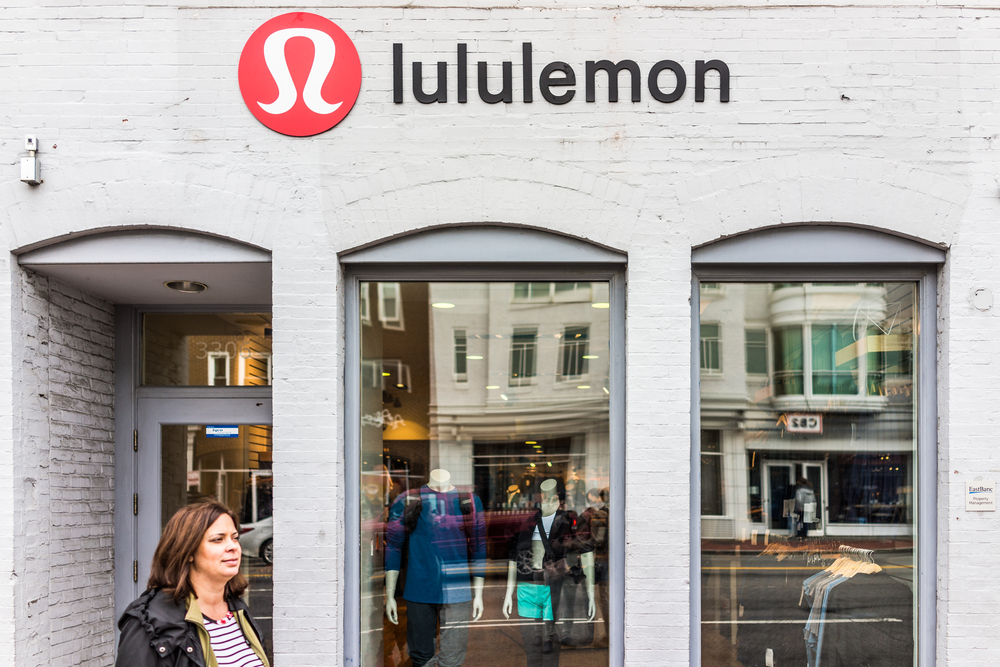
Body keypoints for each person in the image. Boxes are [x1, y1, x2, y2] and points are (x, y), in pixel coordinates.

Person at [116, 500, 270, 667]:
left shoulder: (237, 608)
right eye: (218, 539)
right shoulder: (151, 623)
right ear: (188, 551)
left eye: (234, 538)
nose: (233, 546)